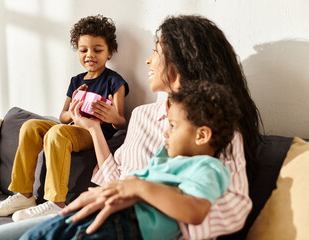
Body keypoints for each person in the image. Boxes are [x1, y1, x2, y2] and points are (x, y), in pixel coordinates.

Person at [0, 14, 262, 240]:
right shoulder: (143, 115)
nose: (148, 60)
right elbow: (115, 178)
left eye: (157, 51)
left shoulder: (210, 129)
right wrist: (94, 129)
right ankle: (26, 198)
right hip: (99, 214)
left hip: (133, 228)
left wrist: (140, 193)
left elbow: (233, 211)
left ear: (181, 61)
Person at [20, 80, 242, 240]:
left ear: (201, 135)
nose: (166, 133)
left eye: (173, 126)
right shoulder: (163, 154)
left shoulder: (209, 167)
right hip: (102, 209)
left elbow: (195, 212)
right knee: (35, 236)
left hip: (128, 225)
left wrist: (139, 188)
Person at [0, 15, 129, 222]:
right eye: (83, 50)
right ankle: (24, 195)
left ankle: (56, 203)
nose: (90, 55)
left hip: (94, 134)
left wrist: (113, 116)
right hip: (72, 128)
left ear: (109, 53)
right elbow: (63, 117)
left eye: (97, 50)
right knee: (31, 126)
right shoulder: (76, 81)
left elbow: (122, 122)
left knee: (57, 133)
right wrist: (73, 112)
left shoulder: (115, 81)